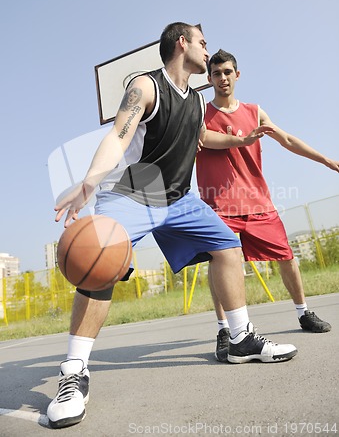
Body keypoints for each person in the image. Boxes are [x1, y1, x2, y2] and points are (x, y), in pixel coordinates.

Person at [47, 24, 297, 428]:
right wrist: (91, 178)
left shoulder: (197, 102)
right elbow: (117, 135)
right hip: (133, 192)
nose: (206, 49)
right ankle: (74, 371)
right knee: (99, 265)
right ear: (182, 43)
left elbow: (202, 137)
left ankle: (239, 339)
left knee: (227, 247)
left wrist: (240, 139)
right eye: (202, 42)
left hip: (179, 200)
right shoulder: (144, 88)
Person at [196, 49, 337, 363]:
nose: (222, 78)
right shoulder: (200, 114)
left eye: (228, 72)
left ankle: (303, 313)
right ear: (209, 79)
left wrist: (326, 159)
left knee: (286, 255)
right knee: (219, 263)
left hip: (258, 202)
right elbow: (201, 138)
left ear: (237, 75)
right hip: (219, 204)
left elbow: (286, 139)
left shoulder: (254, 111)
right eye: (216, 74)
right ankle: (224, 329)